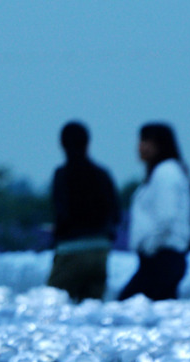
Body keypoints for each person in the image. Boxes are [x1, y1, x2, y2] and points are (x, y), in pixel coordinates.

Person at [48, 121, 122, 303]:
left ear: (61, 144)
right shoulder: (102, 174)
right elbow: (116, 214)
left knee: (52, 303)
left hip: (71, 251)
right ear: (88, 142)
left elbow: (62, 213)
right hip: (100, 251)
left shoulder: (62, 175)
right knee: (92, 309)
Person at [118, 122, 190, 301]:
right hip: (160, 258)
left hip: (162, 257)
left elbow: (167, 217)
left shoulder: (166, 173)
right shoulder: (163, 173)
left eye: (146, 141)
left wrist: (150, 246)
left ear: (160, 145)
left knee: (128, 305)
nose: (140, 147)